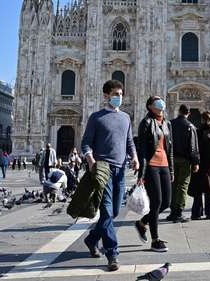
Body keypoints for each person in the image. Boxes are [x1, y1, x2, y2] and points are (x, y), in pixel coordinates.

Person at [81, 80, 138, 271]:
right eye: (115, 94)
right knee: (106, 211)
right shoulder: (96, 117)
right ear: (106, 96)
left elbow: (129, 141)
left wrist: (135, 157)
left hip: (120, 170)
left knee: (113, 212)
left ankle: (91, 239)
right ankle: (112, 253)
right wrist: (91, 161)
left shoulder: (125, 118)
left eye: (121, 94)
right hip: (103, 169)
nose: (119, 97)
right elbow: (86, 143)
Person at [135, 96, 173, 253]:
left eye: (161, 101)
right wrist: (141, 174)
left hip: (164, 165)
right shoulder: (146, 123)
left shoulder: (166, 123)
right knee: (156, 202)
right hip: (151, 165)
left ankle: (142, 223)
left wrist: (171, 170)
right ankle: (155, 240)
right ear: (150, 106)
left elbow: (170, 148)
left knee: (167, 202)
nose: (160, 103)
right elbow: (142, 149)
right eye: (157, 102)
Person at [167, 104, 200, 223]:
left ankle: (172, 211)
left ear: (178, 111)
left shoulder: (169, 124)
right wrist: (195, 162)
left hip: (171, 159)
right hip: (185, 160)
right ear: (188, 113)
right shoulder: (190, 126)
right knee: (182, 186)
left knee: (173, 185)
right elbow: (193, 146)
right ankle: (178, 212)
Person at [188, 111, 210, 220]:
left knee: (198, 190)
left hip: (199, 164)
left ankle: (196, 213)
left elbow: (193, 147)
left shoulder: (198, 131)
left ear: (202, 119)